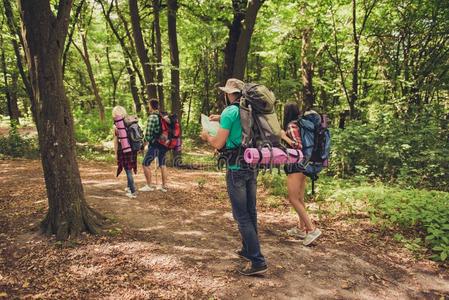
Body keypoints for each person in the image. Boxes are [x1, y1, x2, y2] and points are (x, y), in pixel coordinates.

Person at [200, 78, 268, 276]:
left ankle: (257, 260)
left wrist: (207, 137)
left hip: (235, 166)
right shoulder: (250, 109)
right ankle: (248, 250)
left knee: (242, 216)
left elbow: (219, 143)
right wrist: (219, 118)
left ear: (229, 94)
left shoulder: (230, 111)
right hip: (252, 164)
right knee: (250, 211)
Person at [280, 102, 322, 246]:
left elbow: (298, 146)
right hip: (305, 165)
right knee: (300, 198)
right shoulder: (301, 124)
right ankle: (301, 228)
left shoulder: (292, 125)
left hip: (296, 165)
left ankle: (311, 229)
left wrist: (283, 136)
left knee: (293, 199)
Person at [139, 99, 169, 192]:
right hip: (164, 144)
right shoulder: (162, 116)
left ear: (151, 106)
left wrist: (143, 145)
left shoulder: (152, 117)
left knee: (145, 164)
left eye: (149, 105)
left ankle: (149, 185)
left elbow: (148, 134)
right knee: (162, 164)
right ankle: (164, 186)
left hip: (155, 145)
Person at [112, 106, 138, 198]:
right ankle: (128, 187)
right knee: (129, 168)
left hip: (123, 150)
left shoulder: (116, 126)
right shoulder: (130, 122)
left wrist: (115, 153)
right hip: (133, 149)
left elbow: (115, 141)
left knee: (128, 171)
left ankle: (133, 191)